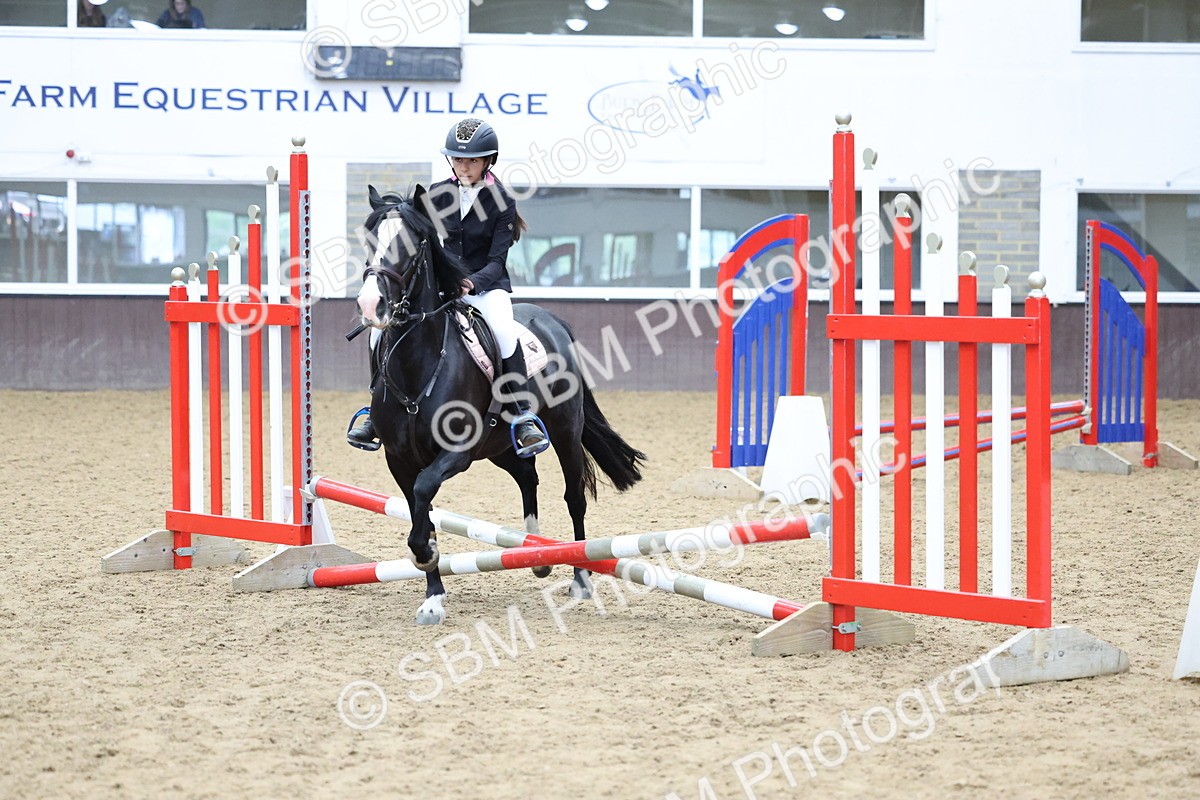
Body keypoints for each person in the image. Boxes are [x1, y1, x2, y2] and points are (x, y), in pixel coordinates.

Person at [348, 118, 550, 458]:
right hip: (442, 288)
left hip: (486, 287)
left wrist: (471, 283)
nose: (463, 166)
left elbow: (497, 260)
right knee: (376, 332)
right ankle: (374, 408)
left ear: (489, 161)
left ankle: (520, 415)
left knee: (503, 331)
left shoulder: (502, 201)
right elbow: (422, 245)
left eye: (471, 160)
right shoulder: (437, 195)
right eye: (457, 159)